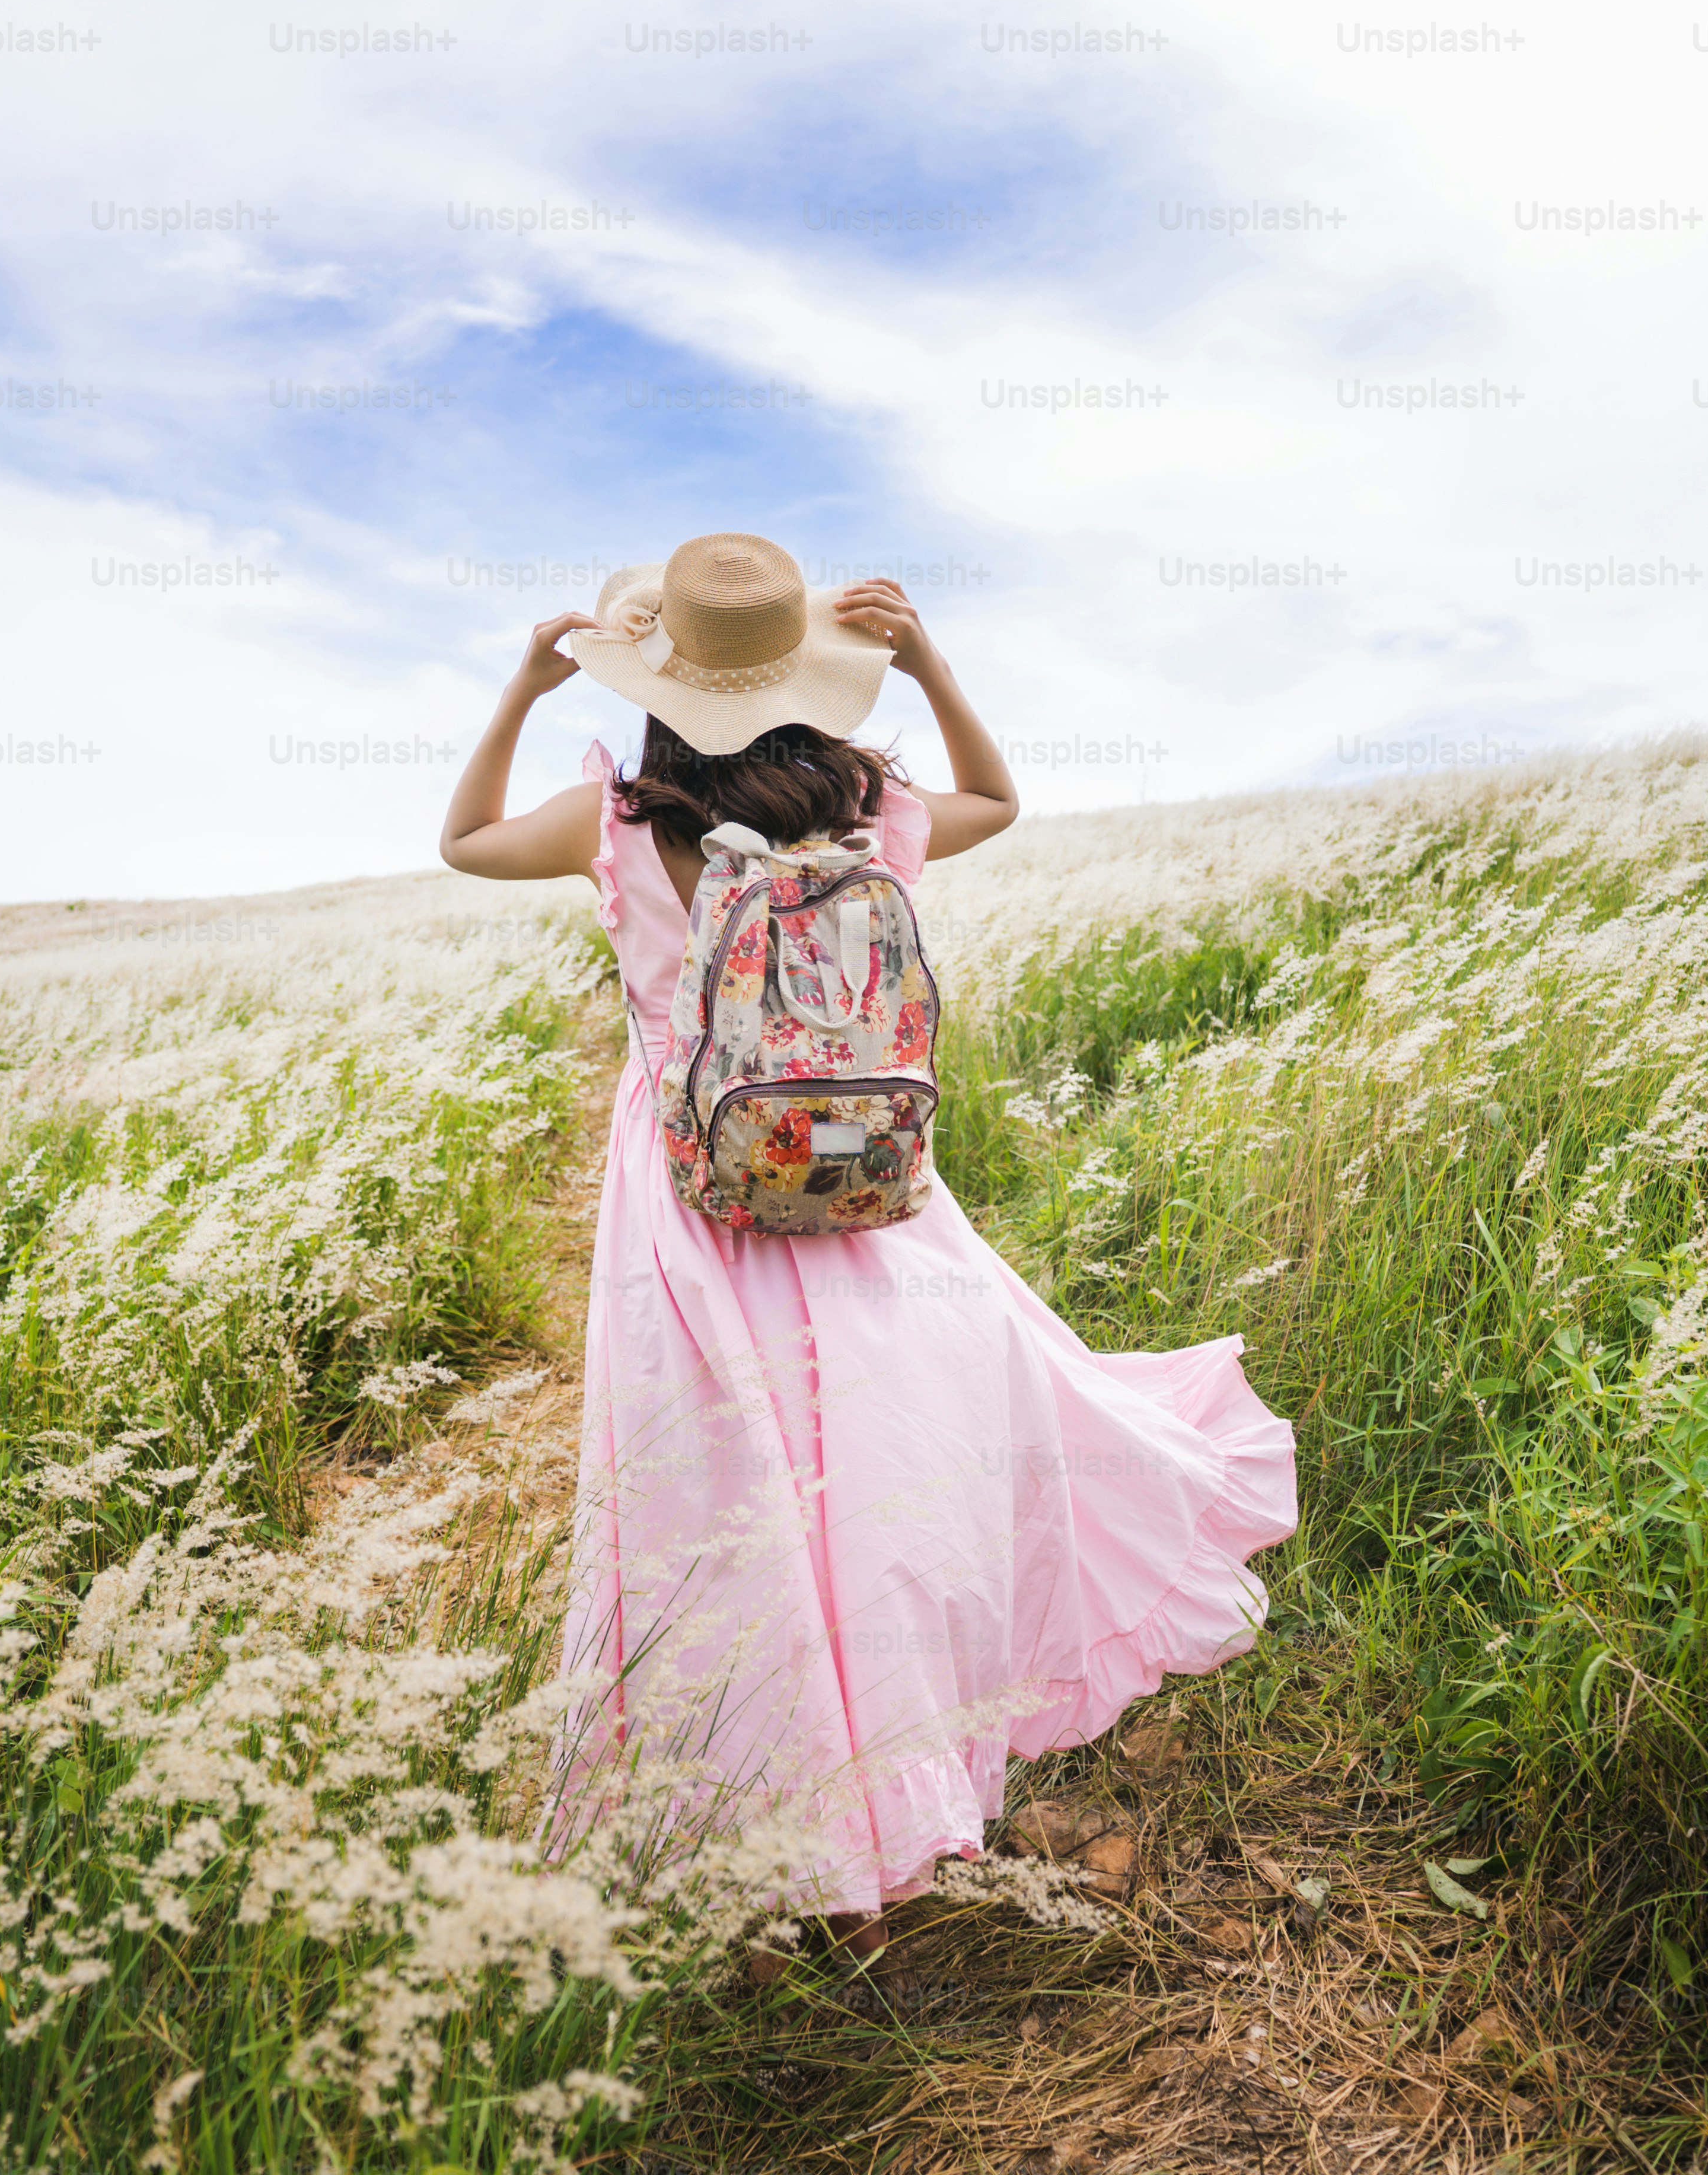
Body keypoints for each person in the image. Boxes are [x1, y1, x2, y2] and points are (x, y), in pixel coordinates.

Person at [439, 531, 1296, 1985]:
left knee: (733, 1512)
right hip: (868, 1185)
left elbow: (461, 841)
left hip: (696, 1205)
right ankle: (891, 1821)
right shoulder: (872, 808)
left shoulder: (616, 818)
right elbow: (1003, 801)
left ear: (659, 689)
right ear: (812, 679)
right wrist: (933, 664)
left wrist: (525, 685)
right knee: (889, 1488)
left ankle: (782, 1859)